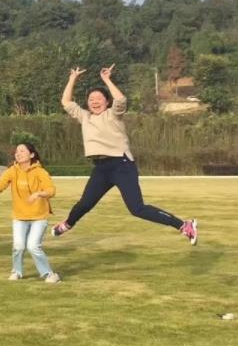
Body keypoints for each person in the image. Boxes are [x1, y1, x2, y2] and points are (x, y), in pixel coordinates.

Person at [51, 65, 198, 244]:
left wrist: (107, 79)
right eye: (91, 99)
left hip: (121, 165)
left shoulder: (113, 114)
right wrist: (72, 78)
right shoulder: (85, 117)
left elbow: (120, 99)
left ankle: (184, 225)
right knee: (85, 203)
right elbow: (66, 102)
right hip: (101, 168)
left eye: (99, 99)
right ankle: (67, 224)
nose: (94, 102)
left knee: (137, 208)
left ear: (107, 102)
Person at [0, 143, 61, 283]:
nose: (18, 153)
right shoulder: (12, 171)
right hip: (19, 217)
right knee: (18, 246)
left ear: (32, 154)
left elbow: (51, 190)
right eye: (17, 151)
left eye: (22, 151)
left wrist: (39, 194)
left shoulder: (40, 172)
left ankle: (49, 274)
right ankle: (16, 272)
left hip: (39, 217)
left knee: (33, 246)